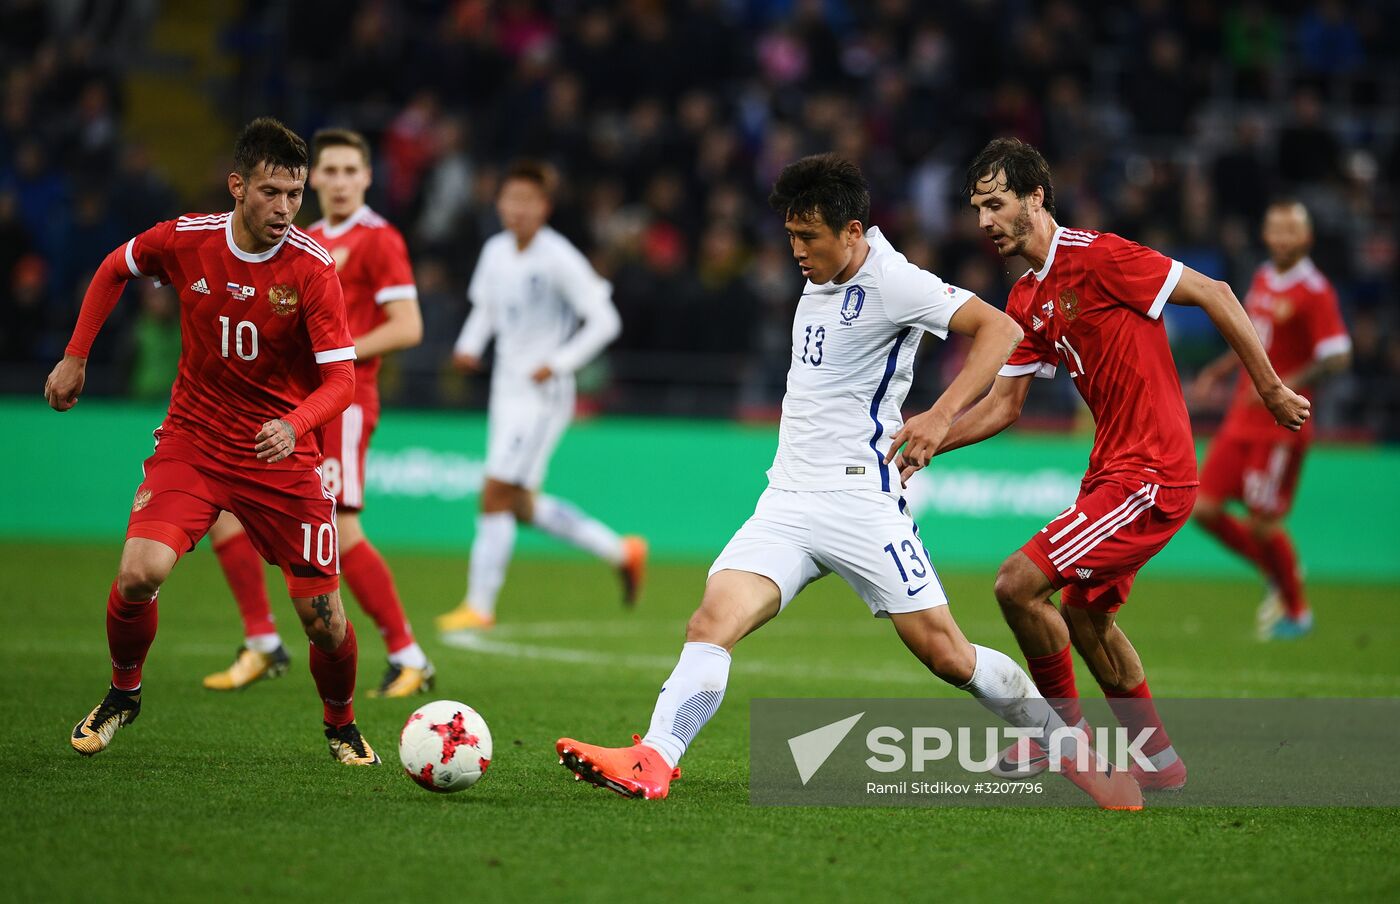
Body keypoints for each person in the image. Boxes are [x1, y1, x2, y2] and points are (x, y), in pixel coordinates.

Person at [556, 153, 1141, 809]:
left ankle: (1074, 753)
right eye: (791, 237)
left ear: (854, 233)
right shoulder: (826, 269)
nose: (798, 251)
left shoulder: (895, 281)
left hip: (862, 501)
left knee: (948, 655)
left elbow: (999, 329)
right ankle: (654, 759)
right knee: (710, 621)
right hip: (786, 501)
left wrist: (940, 415)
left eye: (810, 238)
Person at [941, 138, 1310, 791]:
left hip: (1151, 474)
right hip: (1112, 475)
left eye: (995, 205)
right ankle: (1162, 765)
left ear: (1035, 198)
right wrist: (928, 440)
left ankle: (1061, 738)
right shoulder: (1027, 298)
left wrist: (1272, 388)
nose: (983, 223)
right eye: (976, 209)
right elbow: (1004, 405)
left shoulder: (1101, 256)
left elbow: (1218, 292)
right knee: (1086, 618)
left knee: (1016, 584)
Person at [48, 117, 380, 766]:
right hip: (194, 442)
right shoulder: (187, 240)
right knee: (139, 574)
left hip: (280, 456)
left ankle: (341, 723)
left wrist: (296, 425)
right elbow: (115, 268)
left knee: (325, 621)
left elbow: (341, 379)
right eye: (271, 192)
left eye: (294, 193)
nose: (286, 208)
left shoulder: (312, 270)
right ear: (237, 186)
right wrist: (75, 356)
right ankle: (123, 693)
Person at [201, 128, 436, 696]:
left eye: (349, 171)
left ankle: (408, 656)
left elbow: (409, 326)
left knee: (340, 528)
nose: (337, 181)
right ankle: (261, 643)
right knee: (225, 512)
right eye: (327, 171)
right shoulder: (299, 237)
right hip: (288, 404)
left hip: (341, 406)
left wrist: (336, 355)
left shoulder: (378, 240)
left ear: (367, 177)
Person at [436, 160, 646, 632]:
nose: (518, 209)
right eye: (511, 199)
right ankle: (620, 550)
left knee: (494, 494)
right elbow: (485, 309)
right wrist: (468, 348)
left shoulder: (558, 257)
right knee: (519, 502)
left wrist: (562, 362)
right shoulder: (494, 251)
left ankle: (479, 605)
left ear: (544, 207)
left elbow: (605, 320)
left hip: (542, 394)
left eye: (528, 201)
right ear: (500, 203)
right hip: (504, 390)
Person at [1190, 200, 1350, 640]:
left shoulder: (1315, 291)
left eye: (1289, 231)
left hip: (1280, 425)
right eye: (1274, 229)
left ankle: (1297, 610)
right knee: (1201, 508)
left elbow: (1338, 353)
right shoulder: (1263, 277)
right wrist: (1218, 371)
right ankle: (1277, 570)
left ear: (1306, 238)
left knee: (1262, 522)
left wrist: (1288, 382)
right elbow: (1251, 338)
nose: (1281, 238)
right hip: (1241, 417)